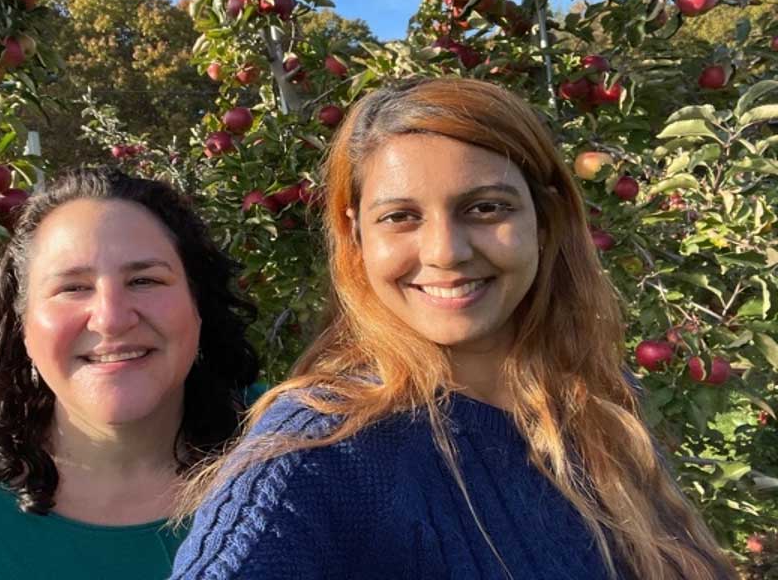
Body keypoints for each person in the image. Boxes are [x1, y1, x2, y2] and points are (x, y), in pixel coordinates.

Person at [170, 78, 736, 580]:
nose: (445, 252)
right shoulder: (319, 447)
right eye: (400, 217)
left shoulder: (601, 397)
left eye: (486, 208)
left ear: (545, 219)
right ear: (356, 234)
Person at [0, 167, 259, 579]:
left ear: (198, 304)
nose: (111, 319)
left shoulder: (300, 448)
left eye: (144, 280)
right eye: (73, 288)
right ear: (22, 324)